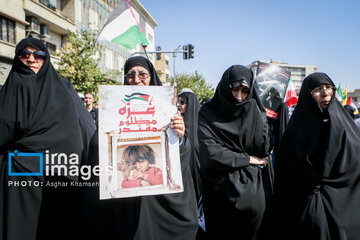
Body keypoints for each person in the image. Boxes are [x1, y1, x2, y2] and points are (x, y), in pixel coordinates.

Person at [82, 56, 197, 240]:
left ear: (151, 77)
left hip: (156, 204)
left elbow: (181, 158)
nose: (136, 79)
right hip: (122, 206)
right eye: (130, 75)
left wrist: (180, 137)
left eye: (143, 74)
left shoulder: (167, 113)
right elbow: (97, 151)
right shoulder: (111, 114)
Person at [0, 37, 96, 240]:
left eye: (39, 55)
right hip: (19, 184)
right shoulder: (9, 90)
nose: (31, 59)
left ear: (47, 58)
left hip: (61, 181)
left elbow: (88, 130)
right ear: (17, 59)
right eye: (24, 54)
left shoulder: (64, 89)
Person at [272, 72, 360, 239]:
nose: (325, 93)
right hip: (308, 204)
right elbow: (289, 170)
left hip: (345, 206)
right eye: (318, 89)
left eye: (329, 88)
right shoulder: (296, 130)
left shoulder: (344, 123)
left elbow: (355, 158)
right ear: (308, 94)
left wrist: (334, 131)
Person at [198, 65, 271, 240]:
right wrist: (248, 159)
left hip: (253, 194)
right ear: (225, 88)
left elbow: (264, 149)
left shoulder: (254, 112)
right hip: (219, 195)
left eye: (245, 90)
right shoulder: (208, 114)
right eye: (234, 90)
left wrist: (263, 122)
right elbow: (212, 153)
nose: (239, 97)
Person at [178, 90, 204, 237]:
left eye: (183, 102)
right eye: (179, 102)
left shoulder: (203, 126)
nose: (179, 105)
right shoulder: (177, 126)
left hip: (199, 175)